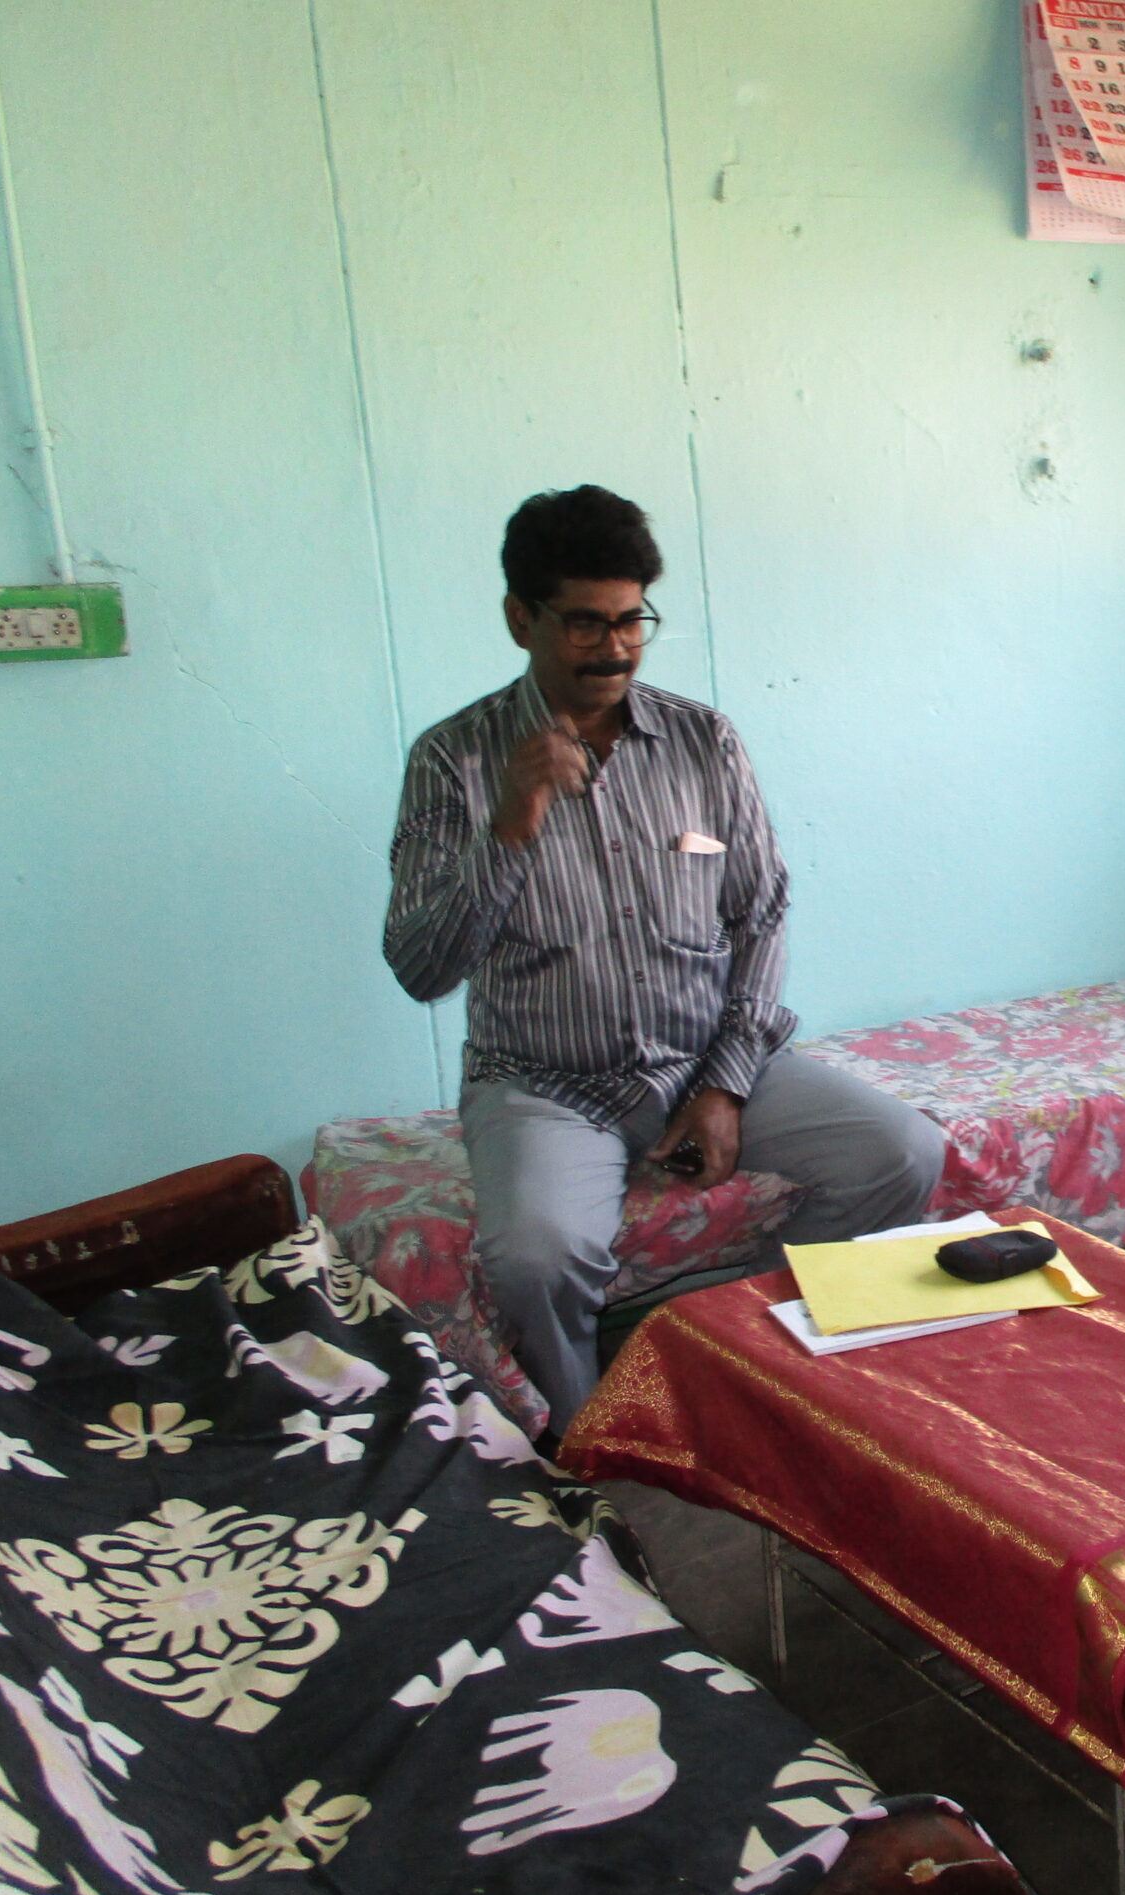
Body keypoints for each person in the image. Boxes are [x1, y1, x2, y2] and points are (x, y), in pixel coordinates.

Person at [385, 486, 945, 1430]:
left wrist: (724, 1086)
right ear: (521, 619)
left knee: (902, 1152)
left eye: (631, 620)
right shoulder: (454, 759)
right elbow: (419, 968)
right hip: (544, 1082)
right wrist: (512, 825)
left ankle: (743, 1355)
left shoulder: (702, 741)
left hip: (702, 1055)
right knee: (536, 1257)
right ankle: (589, 1443)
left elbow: (761, 915)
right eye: (584, 624)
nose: (614, 649)